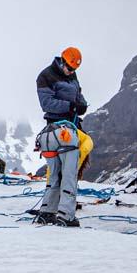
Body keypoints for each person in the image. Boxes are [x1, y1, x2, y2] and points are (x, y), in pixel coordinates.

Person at [31, 47, 88, 227]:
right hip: (59, 130)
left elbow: (79, 97)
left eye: (74, 69)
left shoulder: (72, 76)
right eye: (69, 68)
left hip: (64, 130)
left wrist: (81, 105)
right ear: (62, 61)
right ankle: (65, 215)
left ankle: (47, 213)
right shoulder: (46, 76)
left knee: (56, 174)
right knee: (68, 173)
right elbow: (46, 103)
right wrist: (71, 106)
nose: (71, 72)